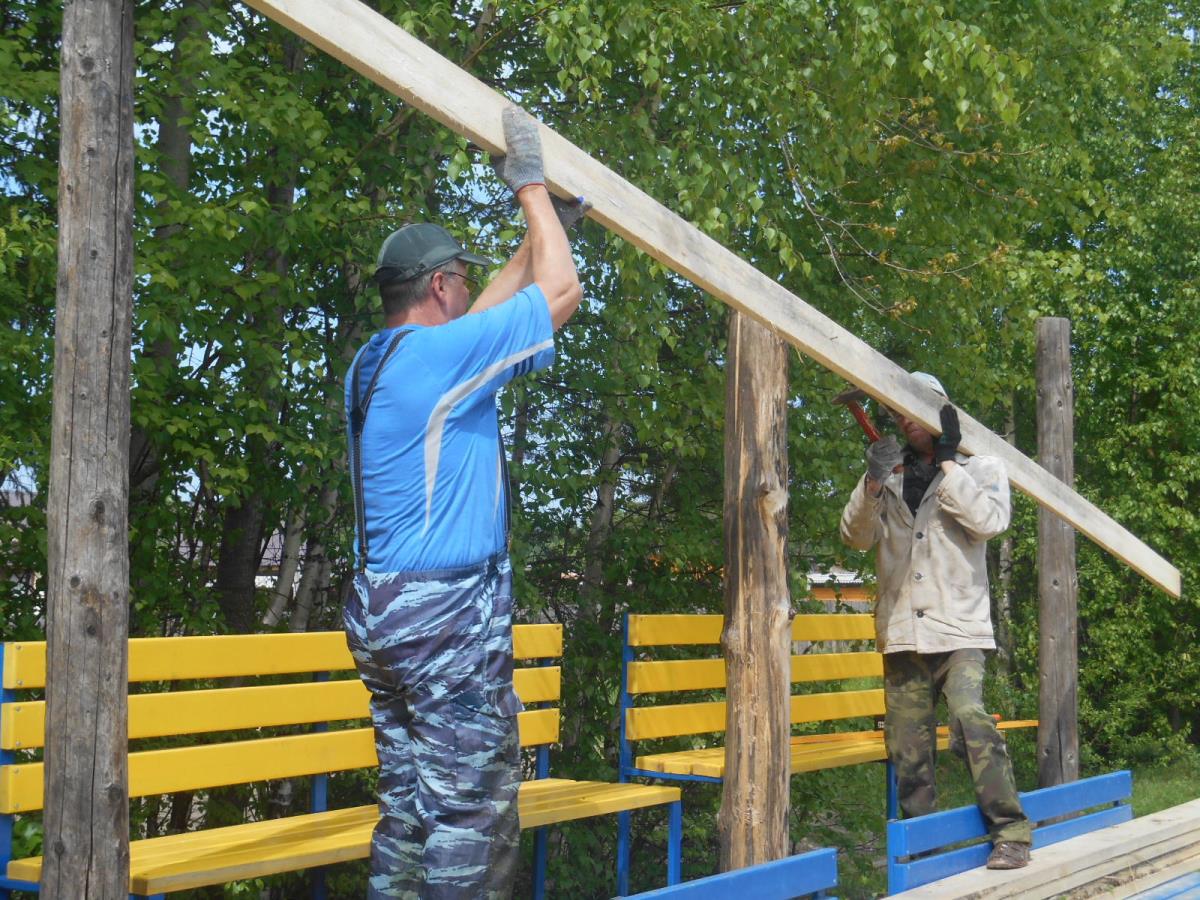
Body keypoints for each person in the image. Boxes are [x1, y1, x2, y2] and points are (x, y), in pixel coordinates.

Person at [342, 106, 585, 898]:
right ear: (441, 284)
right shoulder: (437, 364)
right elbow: (561, 292)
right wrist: (531, 188)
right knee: (473, 819)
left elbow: (484, 319)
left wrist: (539, 232)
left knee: (413, 811)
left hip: (387, 615)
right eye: (460, 281)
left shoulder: (381, 362)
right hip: (444, 616)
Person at [839, 371, 1033, 870]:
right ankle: (923, 851)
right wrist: (873, 481)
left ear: (942, 409)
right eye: (899, 410)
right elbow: (855, 537)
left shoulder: (980, 465)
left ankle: (1010, 831)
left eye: (917, 408)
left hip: (959, 628)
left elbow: (989, 522)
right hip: (903, 631)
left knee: (969, 717)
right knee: (907, 746)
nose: (907, 418)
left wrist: (949, 464)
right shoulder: (890, 473)